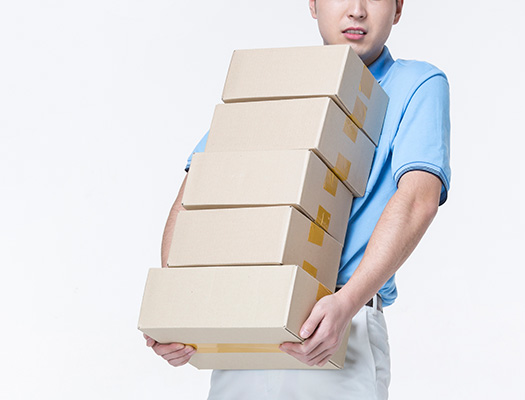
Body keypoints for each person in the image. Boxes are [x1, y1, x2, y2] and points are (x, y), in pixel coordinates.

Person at [144, 0, 451, 398]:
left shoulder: (417, 84)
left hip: (335, 326)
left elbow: (418, 200)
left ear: (397, 8)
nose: (357, 10)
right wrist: (174, 305)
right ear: (313, 4)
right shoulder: (278, 87)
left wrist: (346, 303)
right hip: (246, 318)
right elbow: (196, 194)